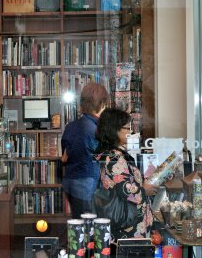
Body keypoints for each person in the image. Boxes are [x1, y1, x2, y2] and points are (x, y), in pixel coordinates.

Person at [95, 108, 158, 240]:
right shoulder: (114, 157)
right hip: (129, 225)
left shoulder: (113, 154)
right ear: (115, 129)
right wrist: (144, 190)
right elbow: (125, 189)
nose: (130, 132)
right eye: (127, 128)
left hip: (129, 222)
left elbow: (125, 181)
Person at [61, 82, 109, 219]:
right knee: (91, 229)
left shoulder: (71, 126)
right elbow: (103, 158)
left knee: (79, 226)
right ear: (102, 104)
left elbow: (64, 158)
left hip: (71, 183)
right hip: (88, 186)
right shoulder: (96, 130)